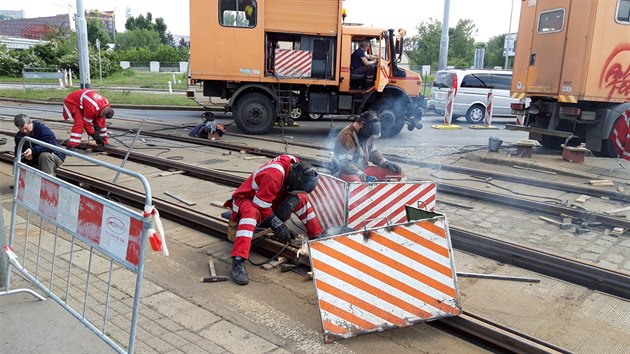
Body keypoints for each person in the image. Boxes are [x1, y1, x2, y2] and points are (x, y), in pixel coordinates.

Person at [224, 154, 323, 285]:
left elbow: (285, 195)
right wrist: (277, 224)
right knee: (250, 213)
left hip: (271, 196)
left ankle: (318, 236)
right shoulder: (273, 175)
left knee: (301, 199)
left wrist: (290, 203)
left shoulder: (295, 165)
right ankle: (238, 261)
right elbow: (260, 204)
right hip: (249, 199)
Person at [332, 110, 403, 182]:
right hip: (344, 172)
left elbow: (373, 154)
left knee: (395, 173)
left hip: (362, 170)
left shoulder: (366, 133)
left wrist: (386, 163)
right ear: (361, 124)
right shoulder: (347, 136)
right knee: (356, 182)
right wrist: (364, 177)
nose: (369, 137)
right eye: (369, 134)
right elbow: (345, 164)